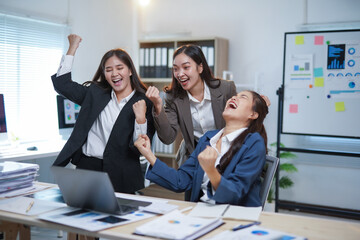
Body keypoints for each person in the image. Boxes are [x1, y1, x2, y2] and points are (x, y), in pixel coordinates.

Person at [51, 34, 155, 193]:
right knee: (81, 215)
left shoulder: (144, 101)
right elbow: (62, 84)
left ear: (130, 71)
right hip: (88, 168)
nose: (114, 74)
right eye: (109, 70)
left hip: (122, 174)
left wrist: (141, 119)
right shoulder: (95, 93)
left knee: (121, 217)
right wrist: (73, 47)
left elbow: (139, 148)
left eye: (120, 68)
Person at [135, 90, 268, 206]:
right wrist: (148, 154)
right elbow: (181, 181)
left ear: (253, 114)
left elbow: (235, 193)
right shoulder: (208, 138)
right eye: (235, 95)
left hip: (234, 217)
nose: (233, 98)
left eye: (243, 97)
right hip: (201, 211)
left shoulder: (254, 143)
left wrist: (211, 170)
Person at [146, 44, 237, 168]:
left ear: (200, 68)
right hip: (194, 160)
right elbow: (168, 138)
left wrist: (260, 104)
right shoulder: (173, 98)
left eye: (186, 67)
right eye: (175, 69)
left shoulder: (226, 89)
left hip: (226, 157)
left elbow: (241, 121)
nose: (180, 74)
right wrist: (158, 106)